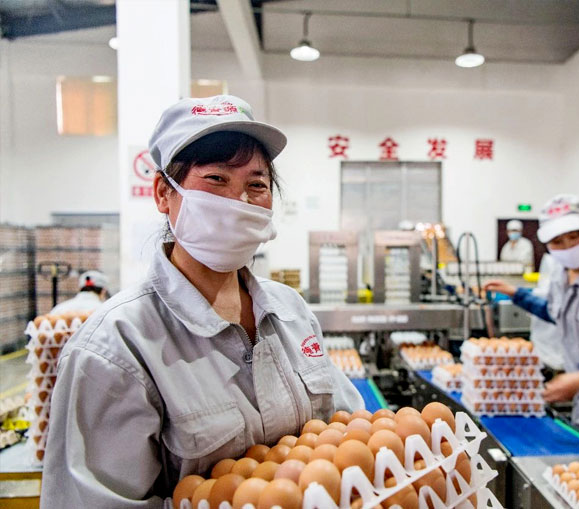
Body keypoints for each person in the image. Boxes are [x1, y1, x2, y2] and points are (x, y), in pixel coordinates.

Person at [40, 95, 364, 507]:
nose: (239, 201)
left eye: (256, 185)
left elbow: (347, 433)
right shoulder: (116, 348)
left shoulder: (291, 311)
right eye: (216, 179)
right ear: (164, 193)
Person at [485, 194, 579, 439]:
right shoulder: (561, 275)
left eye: (575, 236)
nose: (568, 246)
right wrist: (516, 294)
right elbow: (555, 312)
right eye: (558, 241)